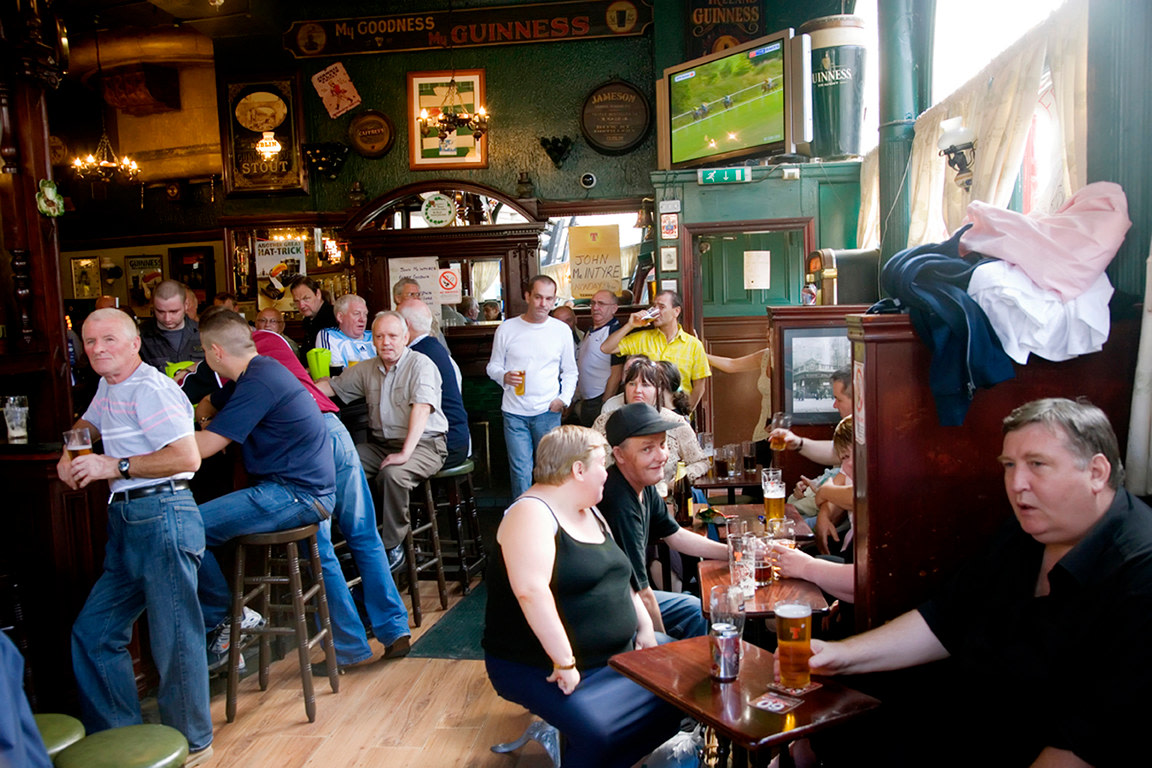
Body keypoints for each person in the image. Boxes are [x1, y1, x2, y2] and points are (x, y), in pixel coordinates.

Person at [801, 398, 1152, 767]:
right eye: (1009, 466)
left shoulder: (1139, 574)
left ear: (1097, 472)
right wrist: (842, 657)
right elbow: (946, 617)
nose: (1017, 484)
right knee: (833, 709)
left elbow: (1083, 744)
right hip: (975, 710)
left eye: (1037, 465)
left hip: (1034, 741)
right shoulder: (1028, 529)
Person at [192, 308, 412, 665]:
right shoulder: (264, 356)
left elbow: (211, 408)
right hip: (334, 431)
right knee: (364, 535)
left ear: (216, 347)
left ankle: (348, 647)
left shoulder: (249, 370)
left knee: (320, 550)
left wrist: (203, 420)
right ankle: (394, 628)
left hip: (304, 457)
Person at [57, 308, 212, 763]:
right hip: (128, 519)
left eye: (108, 340)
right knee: (94, 633)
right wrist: (74, 448)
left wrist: (114, 465)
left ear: (133, 344)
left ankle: (192, 743)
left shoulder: (151, 388)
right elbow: (89, 424)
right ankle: (122, 740)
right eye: (89, 342)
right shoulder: (111, 385)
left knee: (174, 639)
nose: (98, 349)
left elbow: (187, 457)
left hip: (163, 510)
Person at [483, 425, 682, 768]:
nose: (606, 473)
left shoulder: (589, 509)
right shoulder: (530, 513)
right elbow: (531, 591)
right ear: (577, 469)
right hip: (541, 666)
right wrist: (564, 661)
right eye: (601, 464)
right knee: (601, 734)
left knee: (678, 695)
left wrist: (645, 629)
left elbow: (622, 575)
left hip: (615, 653)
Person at [191, 310, 342, 668]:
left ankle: (229, 618)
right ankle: (231, 621)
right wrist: (209, 419)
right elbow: (209, 406)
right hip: (295, 490)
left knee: (184, 528)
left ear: (215, 352)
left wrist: (143, 452)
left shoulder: (259, 381)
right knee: (191, 526)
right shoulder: (259, 373)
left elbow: (204, 448)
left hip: (299, 494)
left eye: (202, 352)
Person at [317, 312, 448, 569]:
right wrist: (296, 391)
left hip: (425, 444)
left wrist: (404, 454)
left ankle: (392, 546)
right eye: (379, 336)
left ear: (406, 338)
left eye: (392, 336)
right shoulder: (367, 368)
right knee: (338, 462)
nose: (386, 342)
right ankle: (350, 535)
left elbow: (422, 409)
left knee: (392, 474)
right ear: (372, 341)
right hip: (382, 445)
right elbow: (331, 387)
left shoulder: (421, 365)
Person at [598, 402, 728, 639]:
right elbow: (642, 591)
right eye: (647, 449)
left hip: (629, 596)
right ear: (619, 454)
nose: (661, 456)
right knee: (667, 643)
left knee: (697, 610)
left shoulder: (643, 484)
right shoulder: (618, 501)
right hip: (609, 607)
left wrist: (731, 553)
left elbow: (675, 535)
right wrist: (663, 651)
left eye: (662, 444)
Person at [486, 275, 578, 497]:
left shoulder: (561, 330)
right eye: (538, 297)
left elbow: (571, 371)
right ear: (527, 296)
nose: (543, 304)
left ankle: (551, 517)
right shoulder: (507, 329)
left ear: (555, 300)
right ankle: (524, 518)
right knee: (520, 471)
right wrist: (503, 376)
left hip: (548, 410)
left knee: (550, 470)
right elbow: (493, 367)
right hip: (514, 411)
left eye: (549, 299)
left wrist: (563, 400)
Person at [591, 359, 708, 497]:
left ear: (658, 390)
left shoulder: (675, 422)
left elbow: (701, 462)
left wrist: (675, 483)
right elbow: (588, 460)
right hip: (614, 498)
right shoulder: (605, 421)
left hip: (665, 499)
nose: (637, 390)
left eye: (645, 385)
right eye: (632, 384)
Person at [771, 416, 856, 602]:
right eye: (843, 458)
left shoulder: (885, 483)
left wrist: (805, 567)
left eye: (839, 398)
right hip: (851, 563)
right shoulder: (851, 466)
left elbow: (857, 496)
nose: (846, 466)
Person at [771, 368, 854, 552]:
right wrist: (824, 514)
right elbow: (837, 482)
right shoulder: (852, 433)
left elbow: (858, 496)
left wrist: (825, 493)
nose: (834, 405)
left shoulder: (868, 436)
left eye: (839, 399)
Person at [599, 290, 711, 410]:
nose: (655, 312)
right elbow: (606, 348)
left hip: (676, 410)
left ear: (676, 311)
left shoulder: (693, 345)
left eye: (661, 307)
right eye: (654, 307)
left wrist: (686, 412)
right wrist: (630, 325)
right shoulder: (642, 338)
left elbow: (699, 386)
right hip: (646, 412)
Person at [397, 298, 470, 468]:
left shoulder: (416, 355)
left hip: (445, 446)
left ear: (406, 325)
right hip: (458, 439)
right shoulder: (433, 347)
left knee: (389, 467)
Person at [570, 289, 624, 427]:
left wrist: (606, 402)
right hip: (586, 400)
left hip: (599, 401)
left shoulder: (614, 333)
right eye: (593, 303)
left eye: (601, 304)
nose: (595, 307)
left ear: (614, 308)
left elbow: (617, 373)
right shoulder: (591, 329)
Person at [138, 279, 205, 371]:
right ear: (153, 306)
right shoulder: (140, 337)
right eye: (160, 311)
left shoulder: (203, 333)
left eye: (174, 311)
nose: (167, 318)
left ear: (186, 305)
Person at [315, 294, 375, 374]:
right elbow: (337, 374)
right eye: (357, 313)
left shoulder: (374, 336)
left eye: (365, 314)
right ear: (340, 317)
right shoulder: (329, 336)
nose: (362, 319)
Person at [289, 276, 337, 355]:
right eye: (297, 301)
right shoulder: (308, 321)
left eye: (306, 298)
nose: (301, 305)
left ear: (318, 294)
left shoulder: (334, 317)